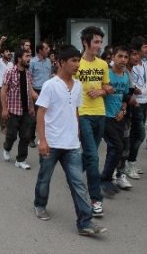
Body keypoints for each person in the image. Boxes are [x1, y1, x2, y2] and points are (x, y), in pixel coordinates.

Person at [34, 45, 107, 236]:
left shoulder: (78, 86)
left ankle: (85, 222)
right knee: (44, 178)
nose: (77, 65)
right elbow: (41, 113)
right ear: (61, 63)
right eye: (73, 61)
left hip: (72, 144)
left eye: (78, 61)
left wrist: (77, 135)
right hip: (51, 143)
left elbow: (75, 110)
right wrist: (42, 140)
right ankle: (40, 204)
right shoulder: (50, 85)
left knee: (78, 183)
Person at [75, 26, 112, 217]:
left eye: (100, 42)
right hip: (83, 114)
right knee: (93, 156)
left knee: (91, 155)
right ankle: (96, 199)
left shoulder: (103, 65)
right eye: (96, 42)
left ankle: (74, 175)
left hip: (100, 113)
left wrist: (102, 91)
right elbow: (68, 88)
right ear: (85, 43)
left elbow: (107, 86)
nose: (99, 45)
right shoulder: (77, 64)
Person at [100, 46, 132, 195]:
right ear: (113, 57)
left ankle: (109, 176)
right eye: (120, 56)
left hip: (119, 116)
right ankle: (105, 178)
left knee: (117, 148)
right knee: (117, 146)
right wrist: (104, 90)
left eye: (126, 57)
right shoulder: (106, 73)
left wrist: (123, 110)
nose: (123, 60)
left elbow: (125, 97)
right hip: (104, 116)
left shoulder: (125, 76)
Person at [0, 49, 35, 169]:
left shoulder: (28, 73)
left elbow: (29, 91)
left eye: (30, 56)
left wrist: (32, 107)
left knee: (26, 136)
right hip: (13, 110)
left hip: (26, 111)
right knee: (12, 135)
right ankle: (6, 148)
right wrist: (4, 109)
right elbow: (3, 90)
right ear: (19, 58)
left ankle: (20, 160)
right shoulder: (10, 71)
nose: (29, 58)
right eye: (27, 56)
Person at [126, 36, 147, 179]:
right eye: (145, 47)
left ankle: (129, 161)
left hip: (144, 101)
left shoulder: (145, 63)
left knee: (135, 134)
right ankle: (129, 162)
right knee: (139, 134)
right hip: (135, 103)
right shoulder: (129, 64)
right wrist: (134, 89)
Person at [29, 42, 51, 147]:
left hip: (47, 92)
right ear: (40, 51)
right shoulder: (32, 62)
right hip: (36, 91)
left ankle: (45, 138)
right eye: (46, 48)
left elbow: (50, 75)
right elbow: (28, 78)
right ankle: (31, 138)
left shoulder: (49, 61)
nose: (48, 49)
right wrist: (31, 92)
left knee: (47, 116)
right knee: (34, 117)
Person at [0, 36, 14, 133]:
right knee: (2, 108)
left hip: (10, 89)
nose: (9, 53)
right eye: (6, 51)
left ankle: (9, 125)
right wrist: (1, 41)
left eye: (9, 51)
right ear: (2, 54)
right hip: (1, 88)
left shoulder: (11, 64)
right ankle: (3, 127)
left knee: (10, 107)